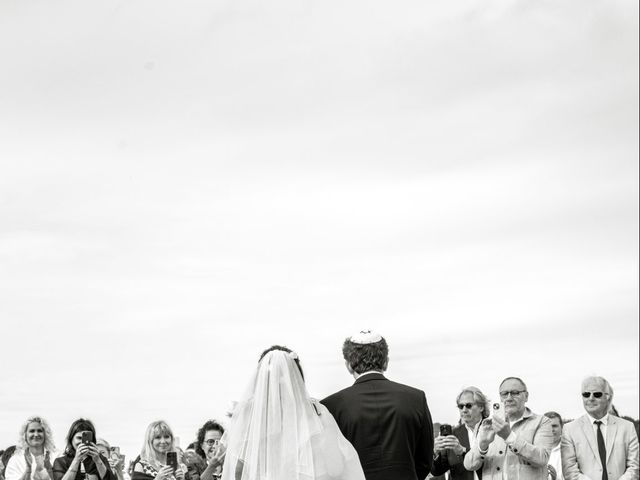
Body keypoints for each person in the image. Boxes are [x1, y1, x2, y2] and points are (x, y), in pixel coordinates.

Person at [221, 345, 366, 480]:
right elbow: (336, 468)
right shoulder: (316, 411)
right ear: (297, 376)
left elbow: (238, 470)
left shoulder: (249, 416)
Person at [321, 330, 434, 480]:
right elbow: (425, 461)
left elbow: (331, 465)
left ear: (348, 365)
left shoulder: (331, 406)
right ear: (386, 362)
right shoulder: (415, 398)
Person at [464, 377, 554, 480]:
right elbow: (469, 465)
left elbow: (542, 458)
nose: (509, 398)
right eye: (504, 394)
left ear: (526, 396)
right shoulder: (487, 425)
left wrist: (509, 437)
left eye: (515, 393)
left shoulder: (542, 422)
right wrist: (482, 445)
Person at [561, 376, 639, 480]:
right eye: (586, 394)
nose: (591, 398)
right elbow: (570, 471)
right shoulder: (569, 429)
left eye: (597, 394)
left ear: (608, 397)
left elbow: (634, 467)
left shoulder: (627, 428)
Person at [432, 386, 490, 480]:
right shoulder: (453, 435)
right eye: (461, 406)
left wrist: (463, 451)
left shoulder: (492, 430)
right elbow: (436, 471)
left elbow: (492, 462)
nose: (464, 410)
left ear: (481, 407)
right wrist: (436, 453)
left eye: (468, 405)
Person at [543, 412, 564, 480]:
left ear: (562, 427)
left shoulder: (571, 450)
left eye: (554, 426)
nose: (551, 429)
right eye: (548, 426)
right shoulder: (534, 451)